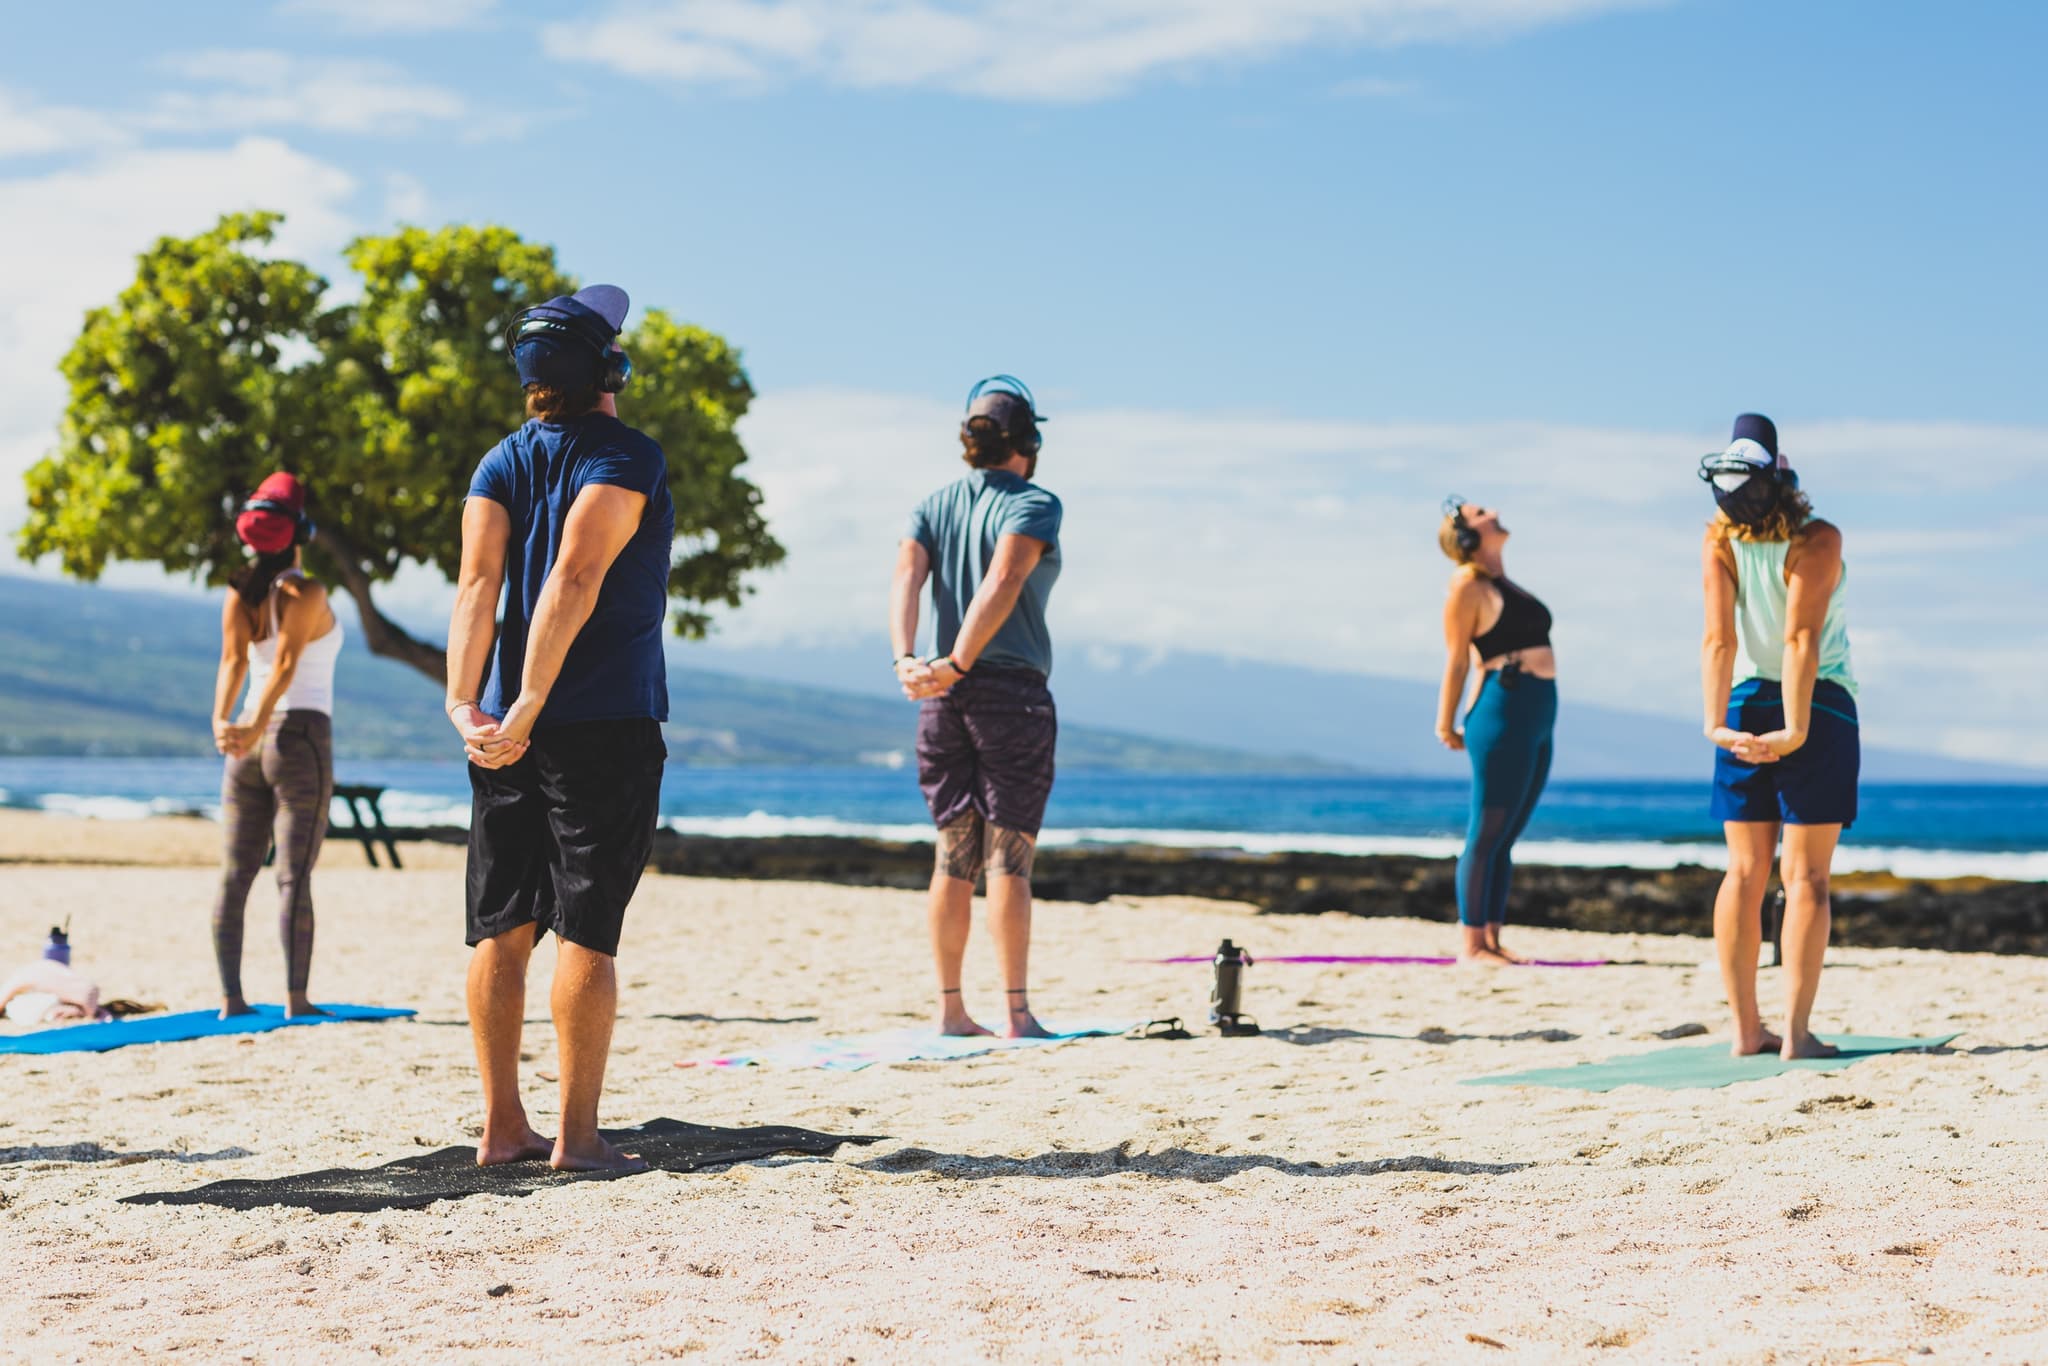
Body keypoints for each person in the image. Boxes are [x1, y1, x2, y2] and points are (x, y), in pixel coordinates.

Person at [446, 284, 673, 1171]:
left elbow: (477, 585)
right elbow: (573, 576)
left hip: (503, 726)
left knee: (500, 925)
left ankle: (502, 1128)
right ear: (609, 368)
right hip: (601, 721)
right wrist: (536, 699)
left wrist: (469, 703)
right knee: (588, 929)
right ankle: (576, 1139)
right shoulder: (626, 454)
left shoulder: (499, 461)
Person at [890, 376, 1062, 1038]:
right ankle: (1017, 1014)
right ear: (1031, 441)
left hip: (939, 696)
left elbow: (906, 577)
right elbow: (1006, 577)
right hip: (1007, 693)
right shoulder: (1036, 502)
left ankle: (951, 1011)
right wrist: (960, 659)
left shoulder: (931, 505)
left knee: (953, 854)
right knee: (1008, 858)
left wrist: (909, 659)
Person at [1699, 413, 1857, 1060]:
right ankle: (1794, 1035)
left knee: (1743, 872)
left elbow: (1719, 639)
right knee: (1808, 877)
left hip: (1740, 702)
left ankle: (1744, 1034)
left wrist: (1716, 724)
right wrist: (1795, 729)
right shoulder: (1817, 537)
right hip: (1819, 704)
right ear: (1783, 472)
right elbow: (1801, 640)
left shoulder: (1719, 540)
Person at [210, 471, 341, 1020]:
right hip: (299, 739)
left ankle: (231, 1001)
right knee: (293, 875)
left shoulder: (239, 592)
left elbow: (234, 663)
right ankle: (296, 1000)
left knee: (236, 874)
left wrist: (225, 723)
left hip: (246, 748)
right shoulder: (306, 591)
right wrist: (260, 721)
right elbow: (286, 664)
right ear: (301, 532)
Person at [1434, 496, 1558, 965]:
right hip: (1503, 711)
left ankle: (1492, 938)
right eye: (1480, 513)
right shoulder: (1466, 584)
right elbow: (1458, 659)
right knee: (1486, 829)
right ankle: (1472, 945)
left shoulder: (1502, 584)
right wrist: (1446, 721)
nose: (1493, 514)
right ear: (1466, 536)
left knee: (1507, 833)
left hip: (1536, 711)